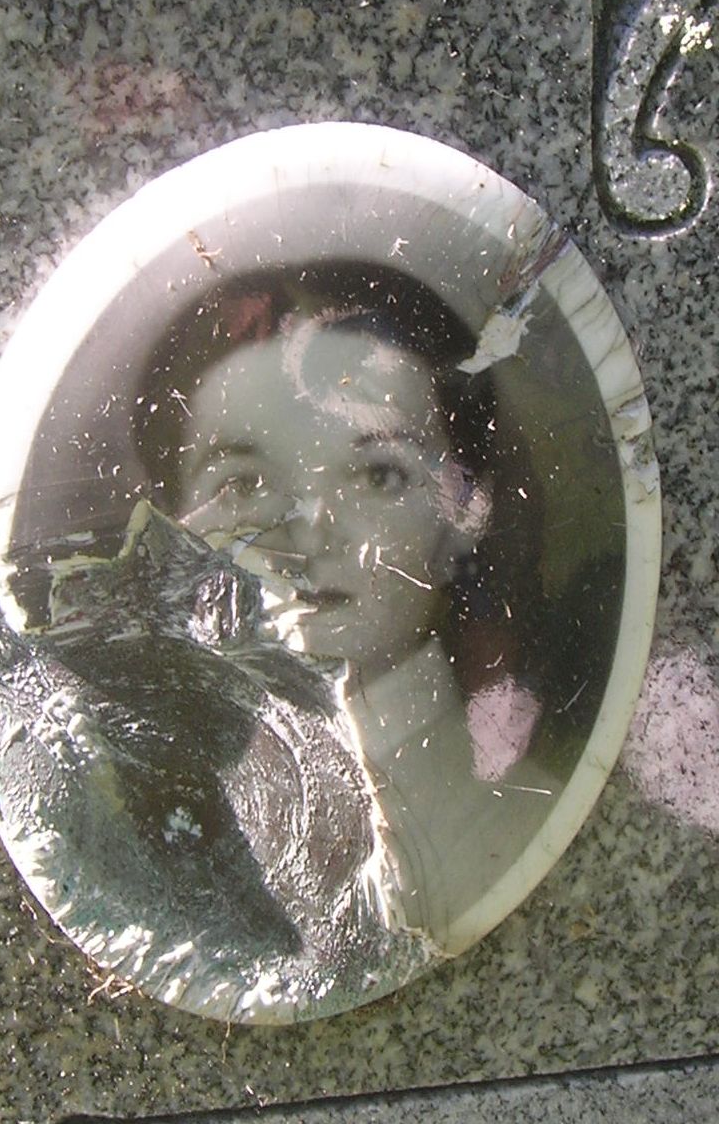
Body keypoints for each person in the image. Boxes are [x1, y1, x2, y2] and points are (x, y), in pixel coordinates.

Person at [136, 261, 558, 947]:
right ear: (172, 526)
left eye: (378, 474)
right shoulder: (154, 865)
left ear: (465, 514)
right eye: (242, 485)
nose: (308, 533)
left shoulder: (527, 832)